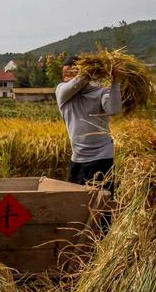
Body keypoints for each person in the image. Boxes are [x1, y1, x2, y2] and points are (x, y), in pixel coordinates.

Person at [56, 56, 122, 232]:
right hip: (78, 159)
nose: (68, 77)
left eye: (72, 71)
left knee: (102, 206)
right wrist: (88, 70)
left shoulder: (100, 91)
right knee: (75, 205)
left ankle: (103, 244)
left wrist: (115, 80)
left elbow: (114, 109)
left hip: (102, 156)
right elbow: (75, 84)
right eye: (66, 73)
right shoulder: (62, 92)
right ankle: (77, 239)